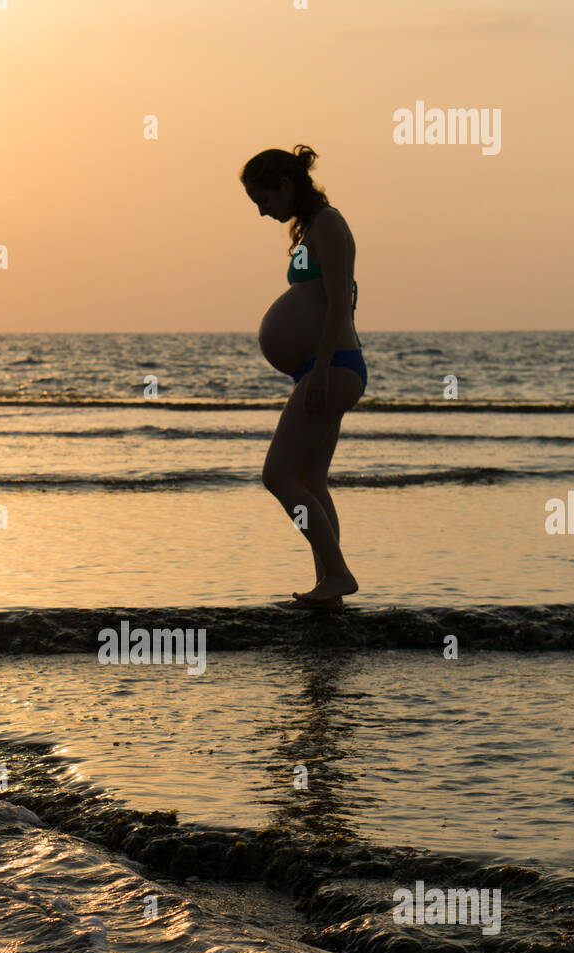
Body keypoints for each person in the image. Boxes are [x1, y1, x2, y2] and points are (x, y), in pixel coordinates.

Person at [241, 145, 366, 607]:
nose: (262, 211)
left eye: (265, 200)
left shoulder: (329, 224)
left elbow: (339, 301)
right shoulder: (313, 227)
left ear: (287, 185)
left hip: (331, 367)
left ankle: (337, 573)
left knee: (277, 475)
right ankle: (328, 585)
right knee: (311, 479)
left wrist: (320, 371)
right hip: (323, 368)